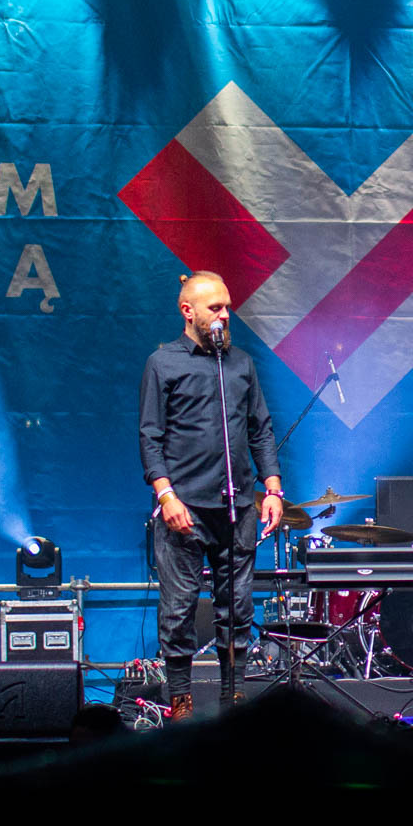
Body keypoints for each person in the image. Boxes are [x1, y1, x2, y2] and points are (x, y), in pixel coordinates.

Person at [139, 271, 286, 720]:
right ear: (188, 311)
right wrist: (166, 496)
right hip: (184, 508)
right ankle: (180, 705)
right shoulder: (163, 362)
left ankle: (232, 701)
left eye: (227, 307)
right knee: (179, 610)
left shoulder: (239, 364)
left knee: (237, 609)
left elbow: (260, 428)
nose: (224, 315)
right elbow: (150, 436)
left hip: (236, 505)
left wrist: (272, 487)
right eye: (215, 308)